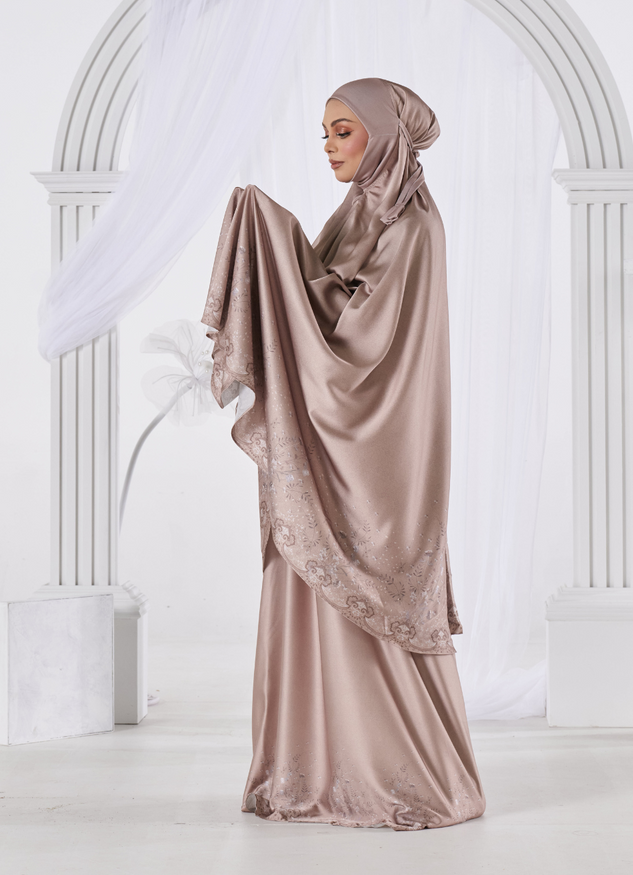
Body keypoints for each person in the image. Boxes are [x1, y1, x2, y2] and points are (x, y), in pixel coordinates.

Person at [202, 78, 485, 831]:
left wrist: (273, 237)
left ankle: (399, 776)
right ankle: (312, 771)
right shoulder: (359, 215)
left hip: (376, 459)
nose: (327, 146)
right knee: (304, 576)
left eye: (343, 131)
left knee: (362, 578)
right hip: (327, 447)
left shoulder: (413, 230)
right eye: (324, 132)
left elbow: (353, 345)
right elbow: (320, 299)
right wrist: (284, 250)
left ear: (385, 135)